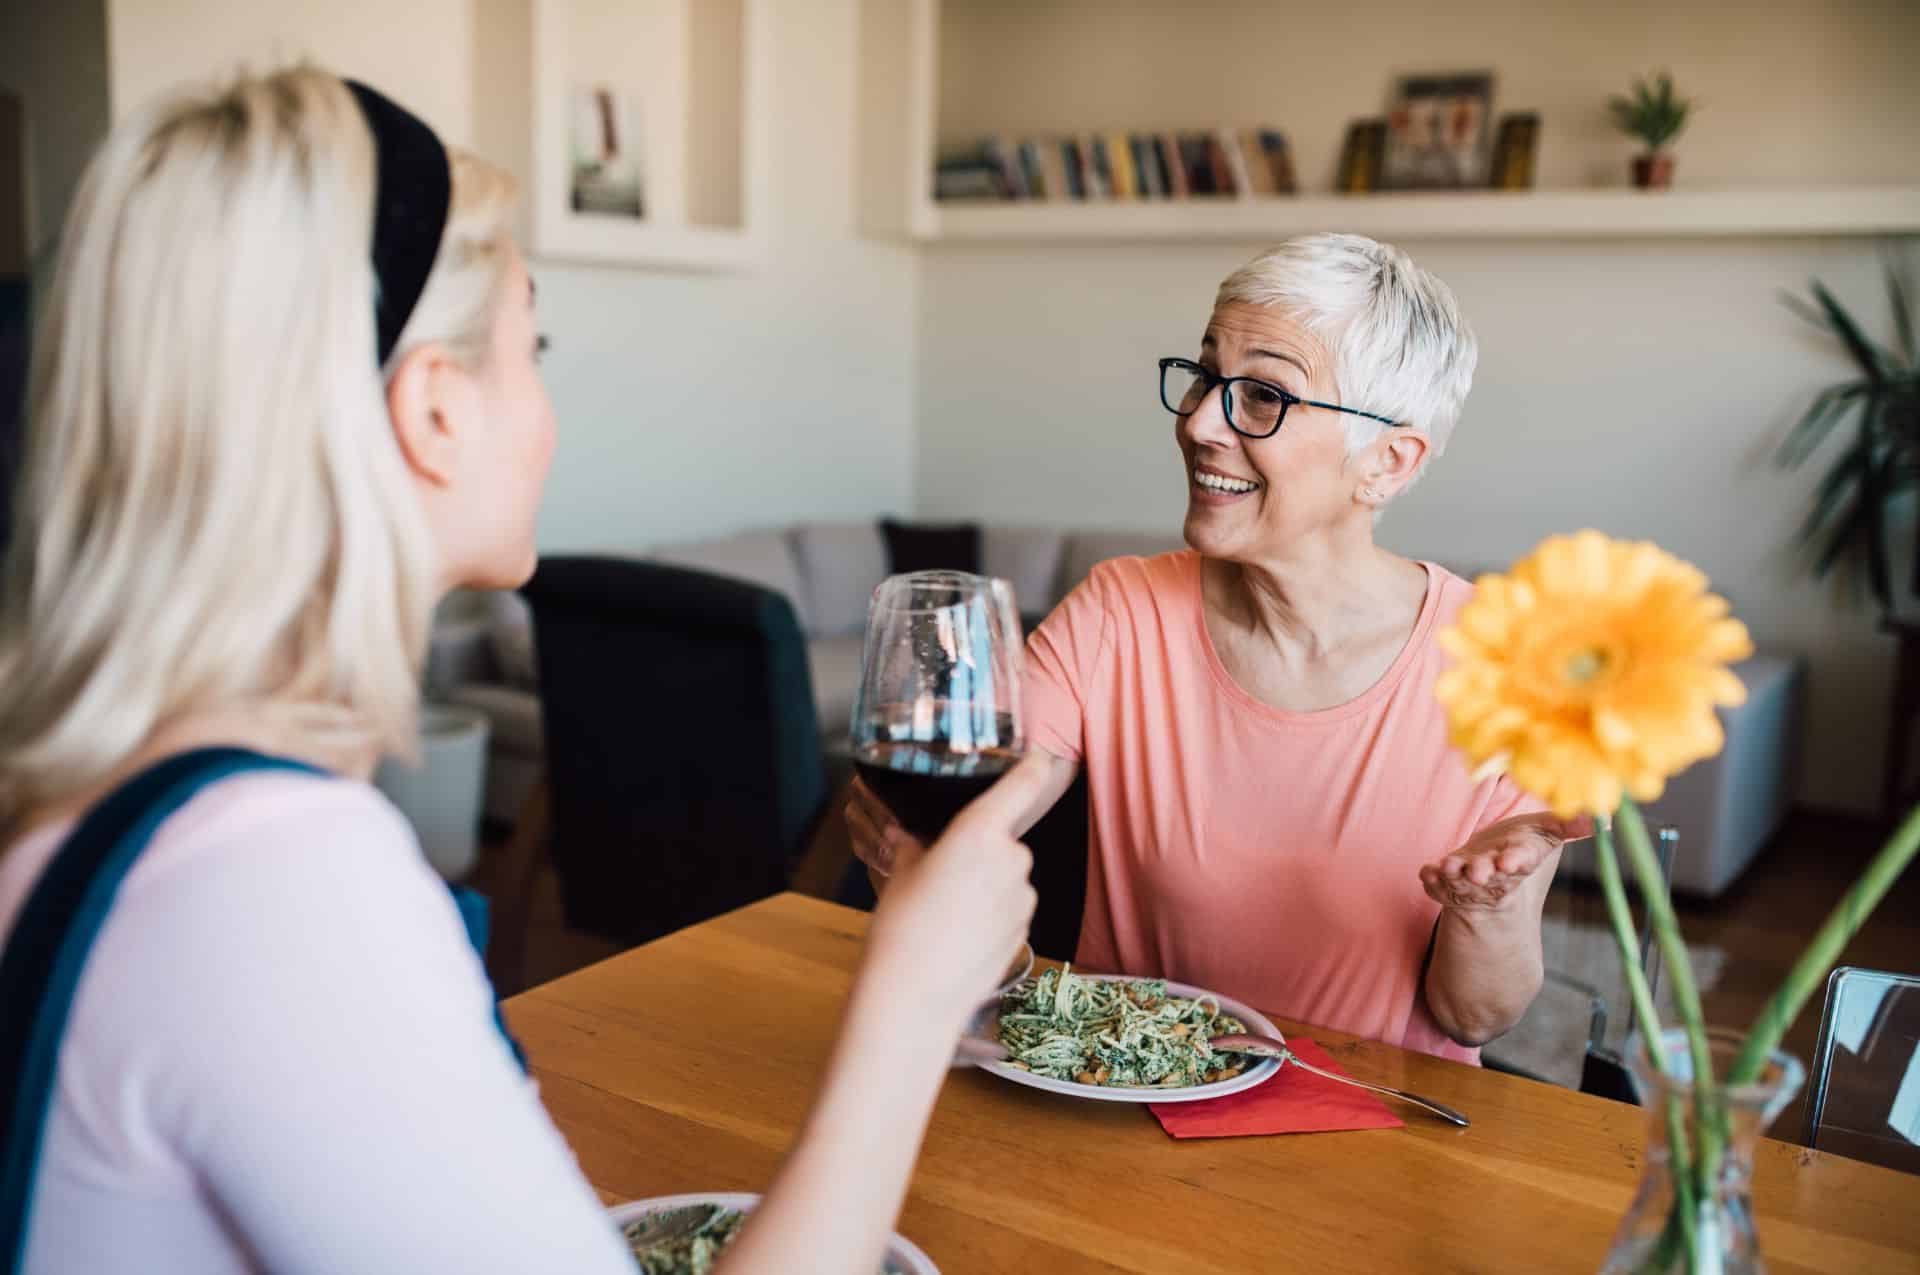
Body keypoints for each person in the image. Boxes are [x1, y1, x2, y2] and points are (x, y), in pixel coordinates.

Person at [0, 67, 1036, 1274]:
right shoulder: (275, 882)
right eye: (529, 343)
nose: (546, 405)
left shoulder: (78, 796)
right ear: (434, 408)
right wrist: (913, 990)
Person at [852, 233, 1590, 1063]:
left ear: (1387, 461)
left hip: (1369, 1144)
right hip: (1121, 1109)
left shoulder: (1507, 666)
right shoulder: (1119, 613)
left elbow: (1474, 1017)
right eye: (1205, 376)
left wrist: (1484, 911)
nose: (1200, 420)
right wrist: (921, 852)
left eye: (1264, 395)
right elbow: (975, 814)